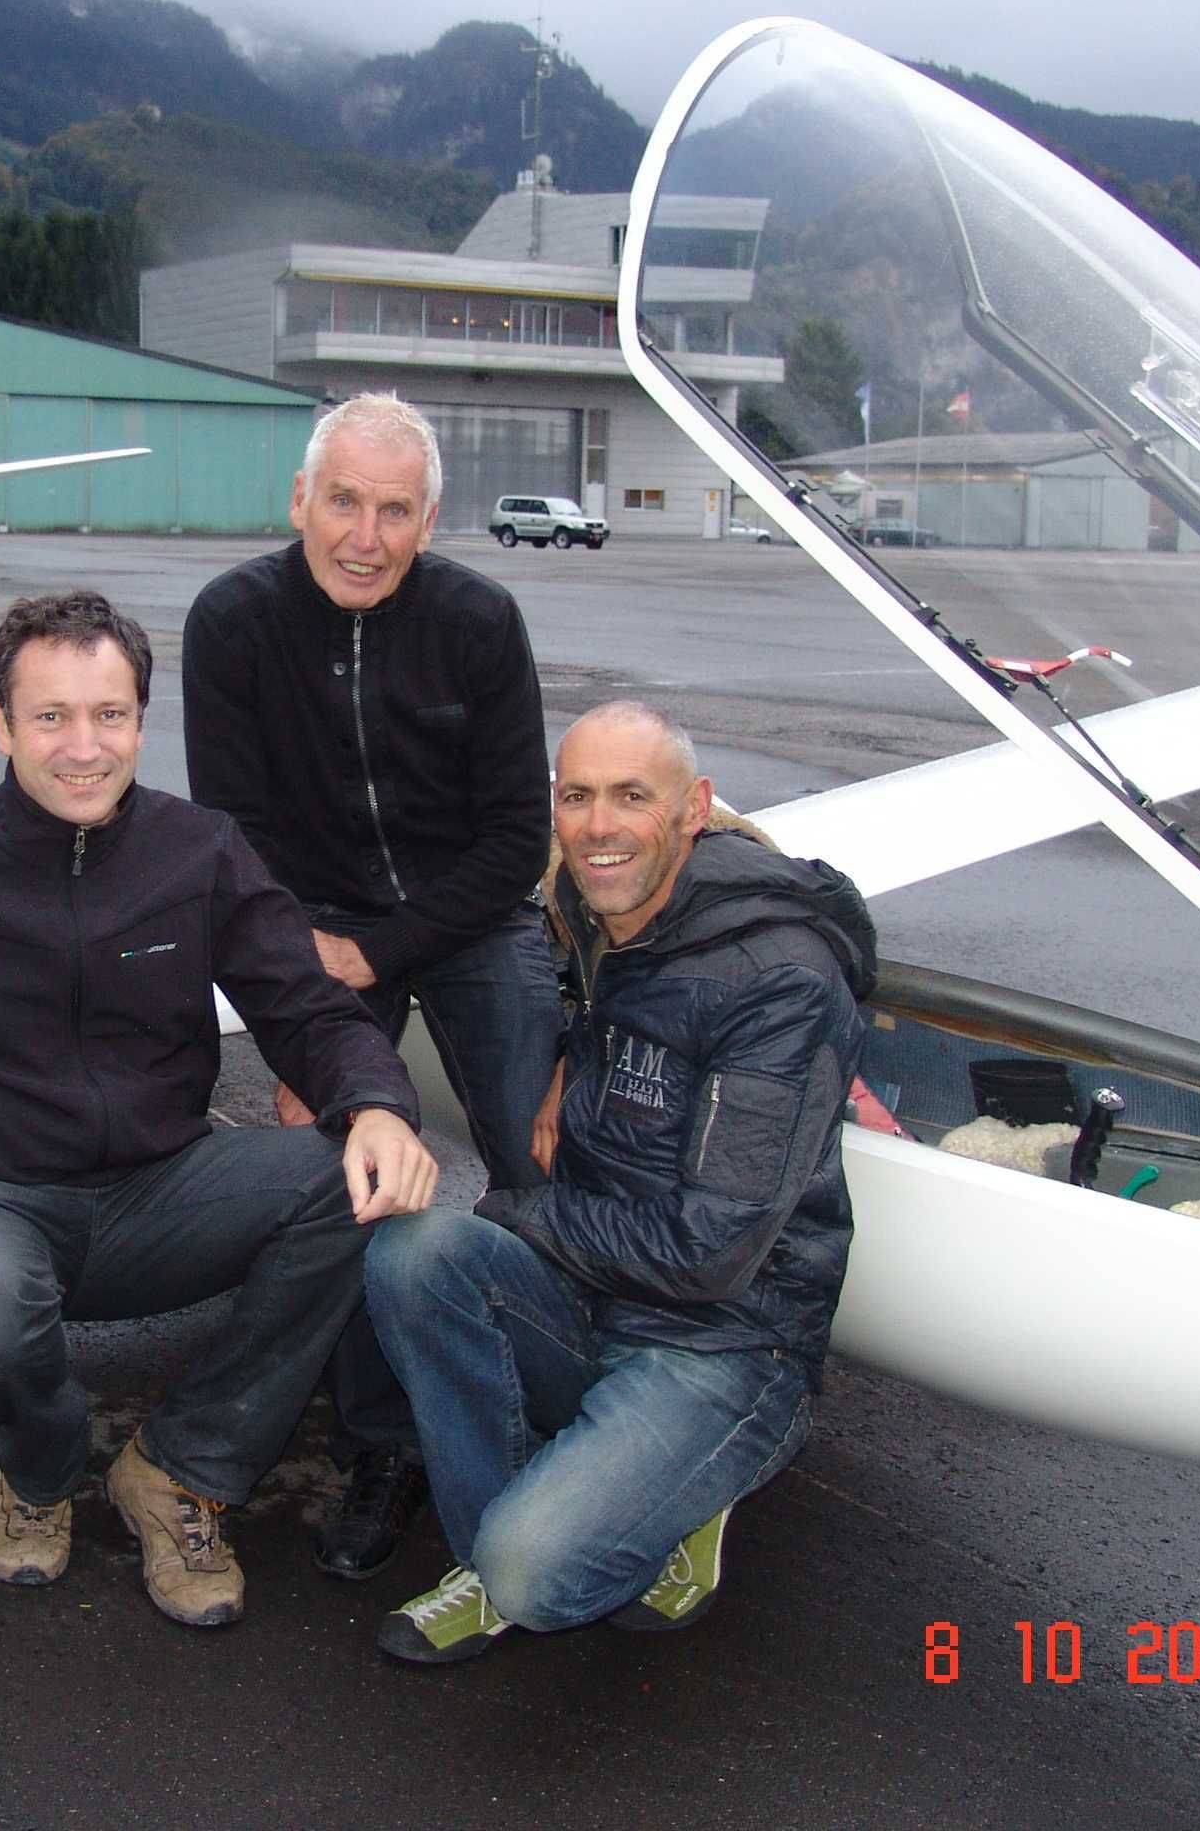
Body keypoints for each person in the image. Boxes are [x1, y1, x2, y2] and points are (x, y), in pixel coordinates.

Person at [0, 590, 438, 1630]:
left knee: (359, 1183)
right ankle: (38, 1467)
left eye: (110, 716)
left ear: (139, 720)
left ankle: (180, 1467)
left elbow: (308, 1010)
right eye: (51, 717)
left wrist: (378, 1105)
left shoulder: (199, 853)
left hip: (161, 1190)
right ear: (1, 725)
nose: (85, 747)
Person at [364, 701, 875, 1665]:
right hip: (599, 1296)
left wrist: (521, 1212)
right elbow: (615, 1012)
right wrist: (573, 1054)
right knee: (413, 1252)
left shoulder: (781, 979)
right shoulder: (600, 911)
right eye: (577, 796)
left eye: (632, 797)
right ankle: (505, 1543)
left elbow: (708, 1250)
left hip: (726, 1340)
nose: (598, 825)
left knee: (539, 1574)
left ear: (695, 809)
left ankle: (663, 1500)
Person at [182, 391, 559, 1581]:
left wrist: (385, 950)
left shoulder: (480, 622)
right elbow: (230, 842)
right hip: (311, 924)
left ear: (430, 520)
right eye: (342, 501)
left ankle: (565, 1390)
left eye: (395, 511)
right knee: (348, 1169)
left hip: (467, 914)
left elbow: (515, 838)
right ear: (300, 499)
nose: (365, 534)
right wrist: (311, 974)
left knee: (543, 1147)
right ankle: (385, 1444)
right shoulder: (232, 622)